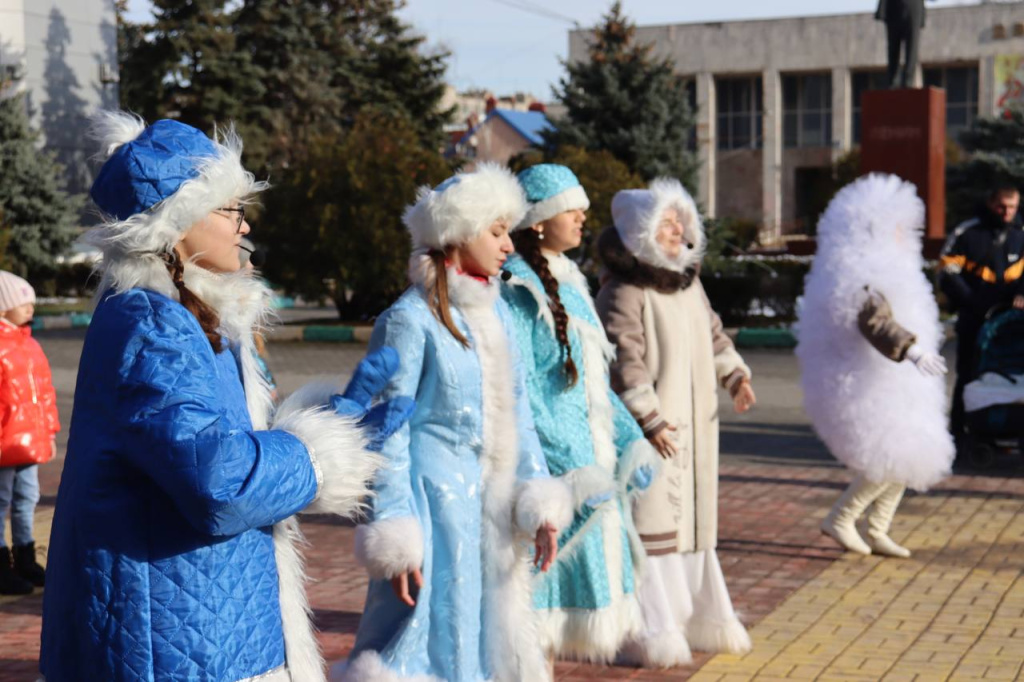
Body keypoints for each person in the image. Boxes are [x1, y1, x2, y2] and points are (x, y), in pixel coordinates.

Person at [40, 112, 408, 682]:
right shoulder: (154, 324)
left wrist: (327, 422)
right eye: (230, 209)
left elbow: (209, 443)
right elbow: (217, 481)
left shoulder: (186, 315)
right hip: (176, 630)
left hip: (205, 612)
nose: (244, 225)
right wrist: (317, 454)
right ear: (177, 219)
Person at [340, 164, 573, 682]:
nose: (508, 245)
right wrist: (396, 527)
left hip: (493, 512)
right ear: (458, 234)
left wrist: (538, 500)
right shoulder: (408, 319)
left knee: (491, 642)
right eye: (496, 232)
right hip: (432, 511)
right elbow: (386, 429)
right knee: (430, 642)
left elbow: (518, 413)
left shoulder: (497, 314)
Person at [499, 164, 659, 664]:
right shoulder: (517, 288)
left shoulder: (571, 281)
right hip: (552, 469)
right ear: (539, 221)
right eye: (572, 209)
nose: (582, 219)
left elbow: (594, 381)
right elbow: (523, 389)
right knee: (536, 602)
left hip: (593, 462)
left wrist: (631, 438)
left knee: (573, 606)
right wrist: (568, 465)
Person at [595, 178, 754, 667]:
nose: (677, 231)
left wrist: (735, 376)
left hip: (696, 428)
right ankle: (652, 630)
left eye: (679, 222)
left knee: (691, 526)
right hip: (653, 434)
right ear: (640, 230)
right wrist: (649, 418)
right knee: (653, 526)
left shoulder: (689, 282)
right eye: (665, 223)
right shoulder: (625, 290)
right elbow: (624, 358)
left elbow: (713, 334)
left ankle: (700, 618)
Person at [798, 174, 955, 558]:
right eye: (897, 227)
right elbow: (874, 322)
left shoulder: (891, 270)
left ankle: (878, 527)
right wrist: (912, 351)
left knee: (909, 454)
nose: (904, 235)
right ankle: (841, 517)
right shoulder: (864, 276)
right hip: (876, 383)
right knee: (890, 454)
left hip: (897, 382)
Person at [939, 183, 1024, 448]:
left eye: (1012, 207)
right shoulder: (969, 232)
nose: (1007, 212)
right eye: (1002, 206)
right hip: (974, 316)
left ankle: (1007, 427)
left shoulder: (1020, 233)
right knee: (967, 372)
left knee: (1011, 372)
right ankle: (960, 431)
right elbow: (947, 271)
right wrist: (971, 301)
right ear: (990, 203)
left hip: (1012, 320)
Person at [0, 272, 58, 595]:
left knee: (27, 498)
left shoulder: (30, 344)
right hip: (4, 443)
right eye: (22, 301)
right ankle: (1, 564)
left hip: (29, 442)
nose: (30, 307)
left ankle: (25, 555)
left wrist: (49, 432)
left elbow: (45, 394)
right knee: (1, 501)